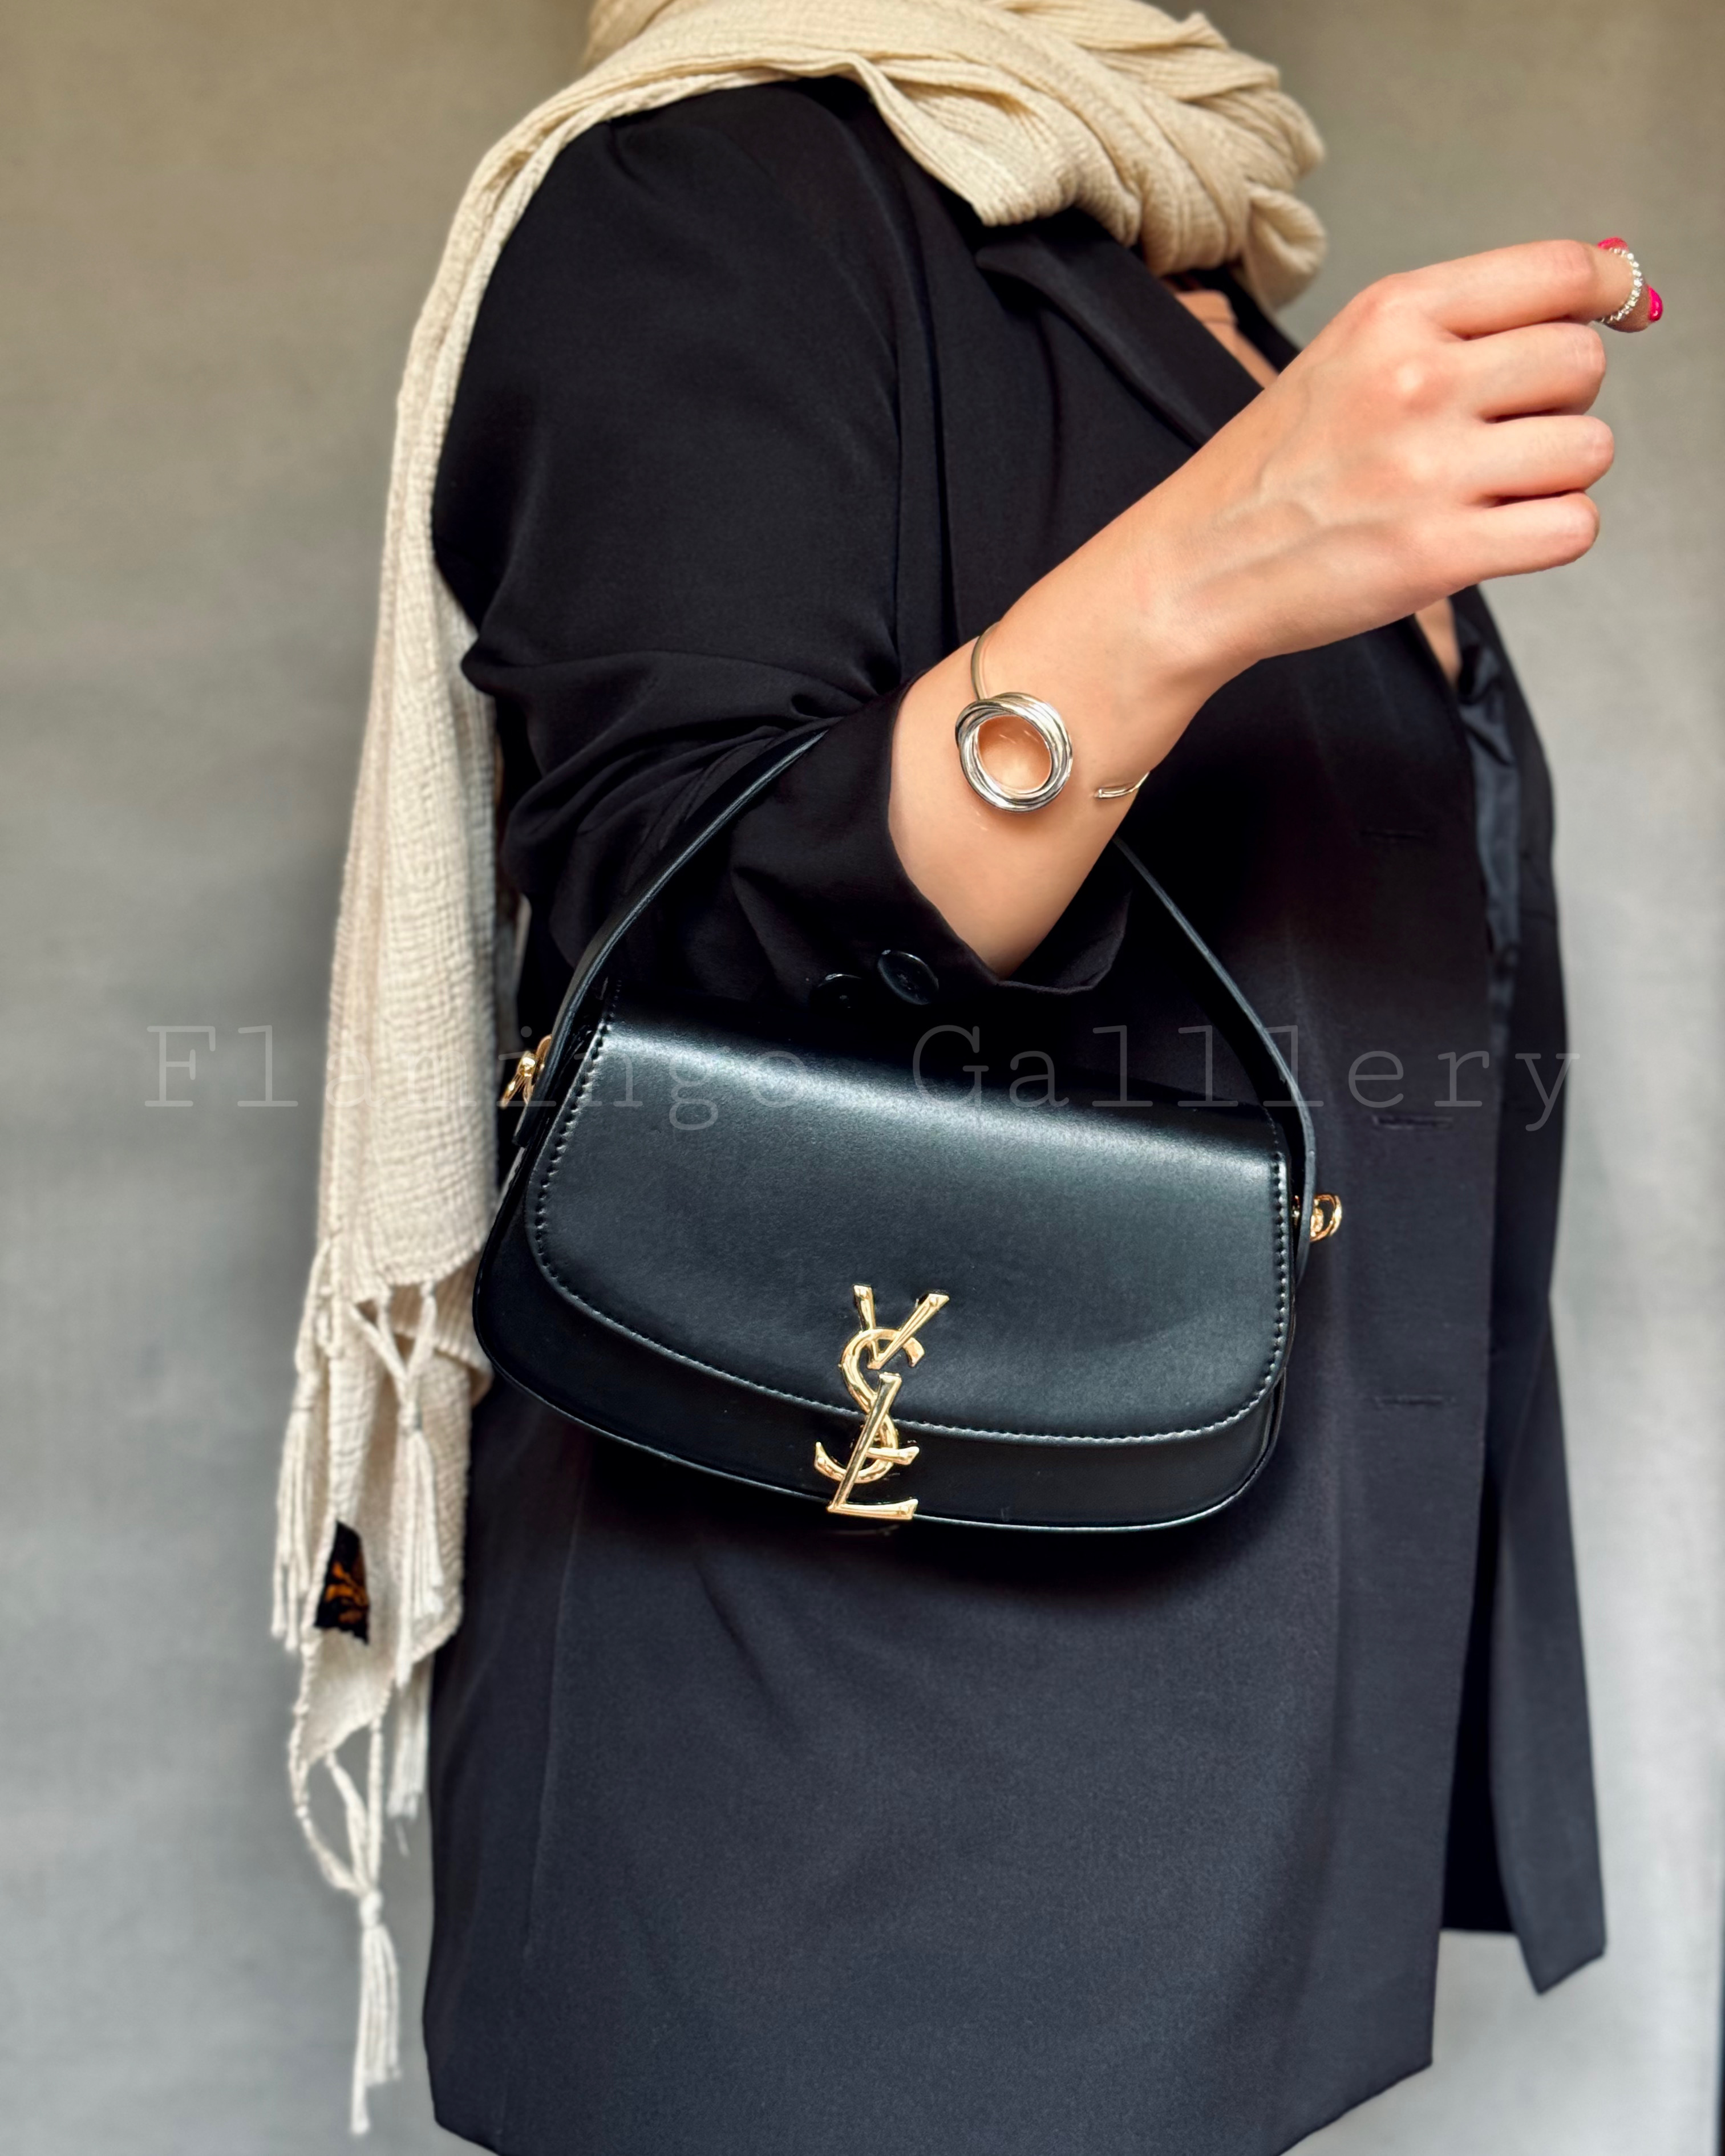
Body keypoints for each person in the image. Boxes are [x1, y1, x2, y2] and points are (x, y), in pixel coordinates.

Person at [277, 5, 1658, 2148]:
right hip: (848, 1793)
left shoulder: (1180, 257)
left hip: (1224, 1719)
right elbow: (693, 958)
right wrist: (1213, 559)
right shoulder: (700, 191)